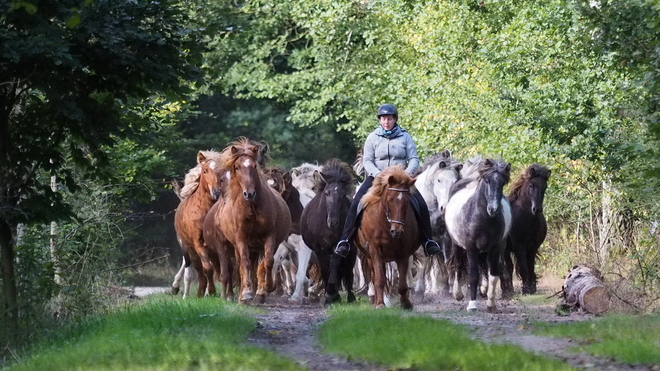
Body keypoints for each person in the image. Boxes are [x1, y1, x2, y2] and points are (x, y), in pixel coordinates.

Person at [334, 103, 442, 258]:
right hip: (376, 178)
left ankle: (428, 241)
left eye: (389, 119)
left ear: (394, 119)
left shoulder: (405, 137)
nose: (386, 122)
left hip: (400, 180)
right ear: (379, 120)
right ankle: (345, 240)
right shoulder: (372, 137)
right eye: (384, 119)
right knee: (357, 203)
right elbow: (368, 160)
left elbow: (413, 159)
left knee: (421, 204)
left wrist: (406, 174)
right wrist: (378, 175)